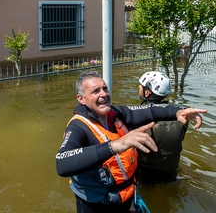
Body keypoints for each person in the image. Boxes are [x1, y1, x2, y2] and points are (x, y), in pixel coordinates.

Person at [56, 71, 207, 213]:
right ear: (81, 99)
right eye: (96, 91)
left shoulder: (117, 114)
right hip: (95, 204)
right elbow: (62, 163)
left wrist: (179, 111)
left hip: (126, 195)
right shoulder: (78, 127)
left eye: (105, 88)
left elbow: (151, 111)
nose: (104, 94)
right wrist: (115, 145)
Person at [137, 71, 188, 182]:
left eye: (141, 86)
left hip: (144, 177)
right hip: (171, 175)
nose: (138, 87)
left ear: (147, 93)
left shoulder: (139, 122)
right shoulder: (182, 118)